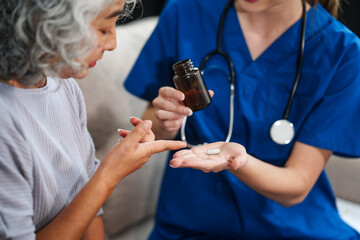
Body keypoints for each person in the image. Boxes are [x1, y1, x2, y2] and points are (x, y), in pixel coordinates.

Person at [124, 0, 360, 239]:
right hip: (192, 221)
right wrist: (165, 122)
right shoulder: (185, 12)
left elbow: (297, 185)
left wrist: (238, 161)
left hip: (291, 227)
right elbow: (151, 129)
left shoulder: (342, 50)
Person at [0, 0, 186, 239]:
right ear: (46, 25)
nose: (113, 44)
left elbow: (87, 202)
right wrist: (108, 175)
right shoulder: (6, 123)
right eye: (103, 30)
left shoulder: (63, 85)